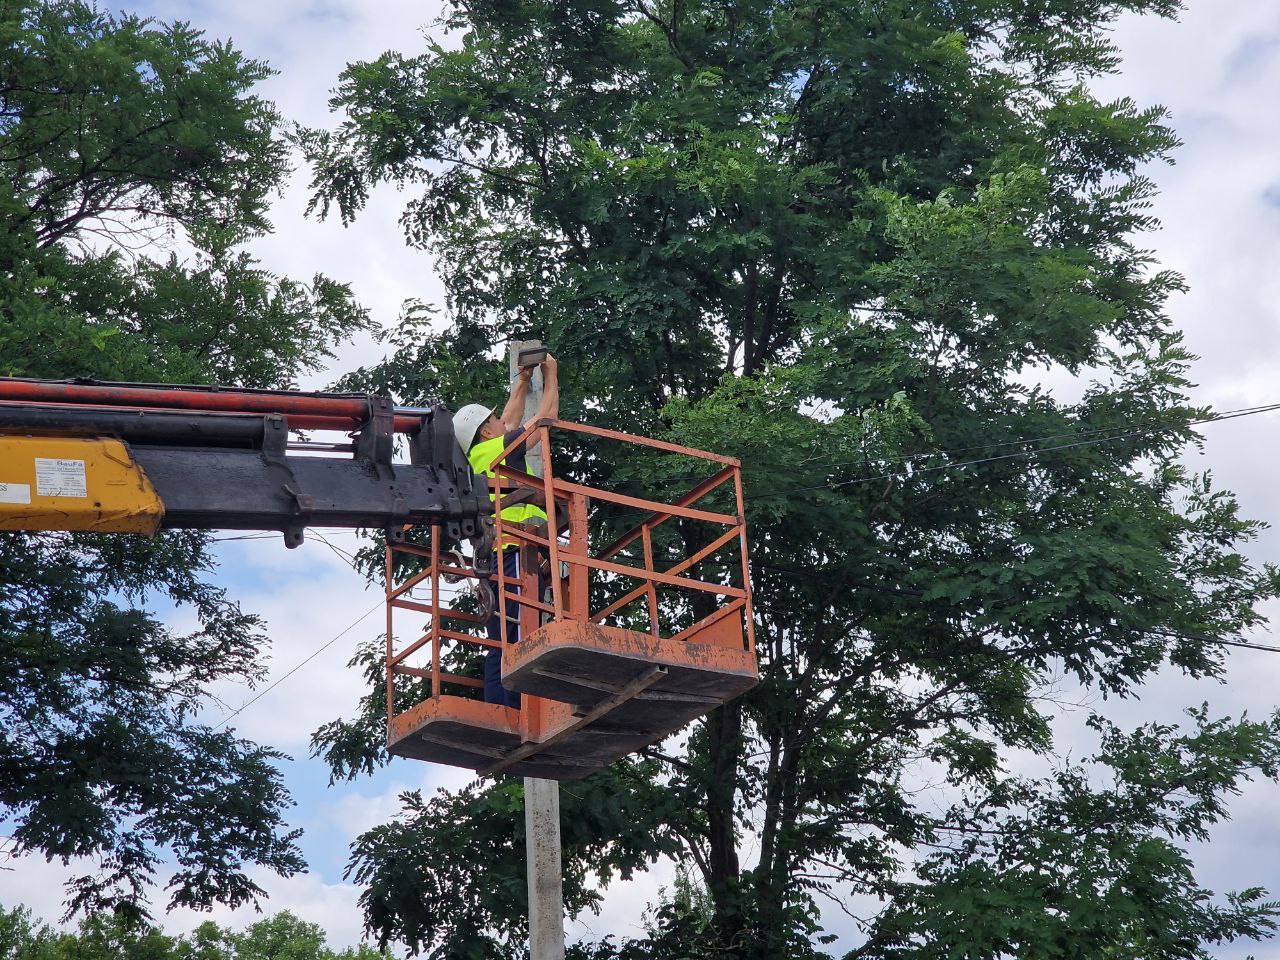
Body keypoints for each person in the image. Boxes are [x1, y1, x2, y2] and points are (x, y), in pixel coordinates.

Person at [452, 353, 559, 708]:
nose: (504, 420)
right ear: (485, 431)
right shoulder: (489, 453)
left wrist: (524, 381)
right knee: (518, 632)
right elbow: (543, 421)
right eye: (494, 419)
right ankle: (513, 709)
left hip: (499, 556)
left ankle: (501, 709)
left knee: (501, 638)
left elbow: (511, 418)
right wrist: (551, 374)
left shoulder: (481, 455)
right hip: (513, 551)